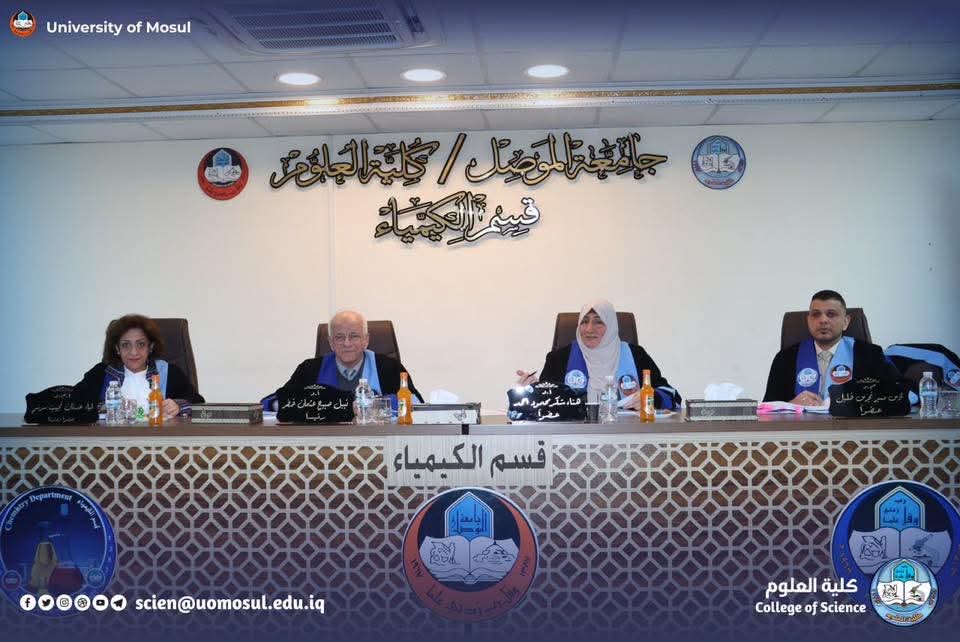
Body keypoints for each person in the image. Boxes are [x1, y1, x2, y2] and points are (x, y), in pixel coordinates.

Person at [516, 299, 681, 410]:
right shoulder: (559, 359)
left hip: (629, 439)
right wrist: (531, 391)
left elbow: (671, 395)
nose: (589, 329)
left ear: (611, 326)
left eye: (598, 322)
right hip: (572, 441)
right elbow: (544, 405)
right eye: (584, 321)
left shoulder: (636, 355)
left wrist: (651, 398)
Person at [763, 290, 901, 405]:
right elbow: (767, 407)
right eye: (816, 314)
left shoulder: (870, 355)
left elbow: (900, 394)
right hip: (800, 428)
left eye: (831, 314)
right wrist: (791, 405)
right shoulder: (785, 358)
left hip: (853, 428)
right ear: (808, 321)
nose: (823, 320)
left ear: (846, 322)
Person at [264, 310, 422, 409]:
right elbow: (271, 402)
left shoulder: (389, 367)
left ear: (366, 340)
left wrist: (373, 404)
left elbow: (417, 402)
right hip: (325, 445)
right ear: (331, 342)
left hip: (380, 443)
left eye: (354, 336)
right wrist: (295, 405)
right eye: (339, 337)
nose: (347, 343)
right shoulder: (310, 369)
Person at [74, 314, 204, 418]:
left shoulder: (169, 372)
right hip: (110, 441)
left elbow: (198, 403)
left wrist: (178, 406)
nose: (133, 352)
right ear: (117, 348)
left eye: (140, 344)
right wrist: (101, 408)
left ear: (150, 347)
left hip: (159, 440)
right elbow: (74, 402)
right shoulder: (102, 372)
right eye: (126, 345)